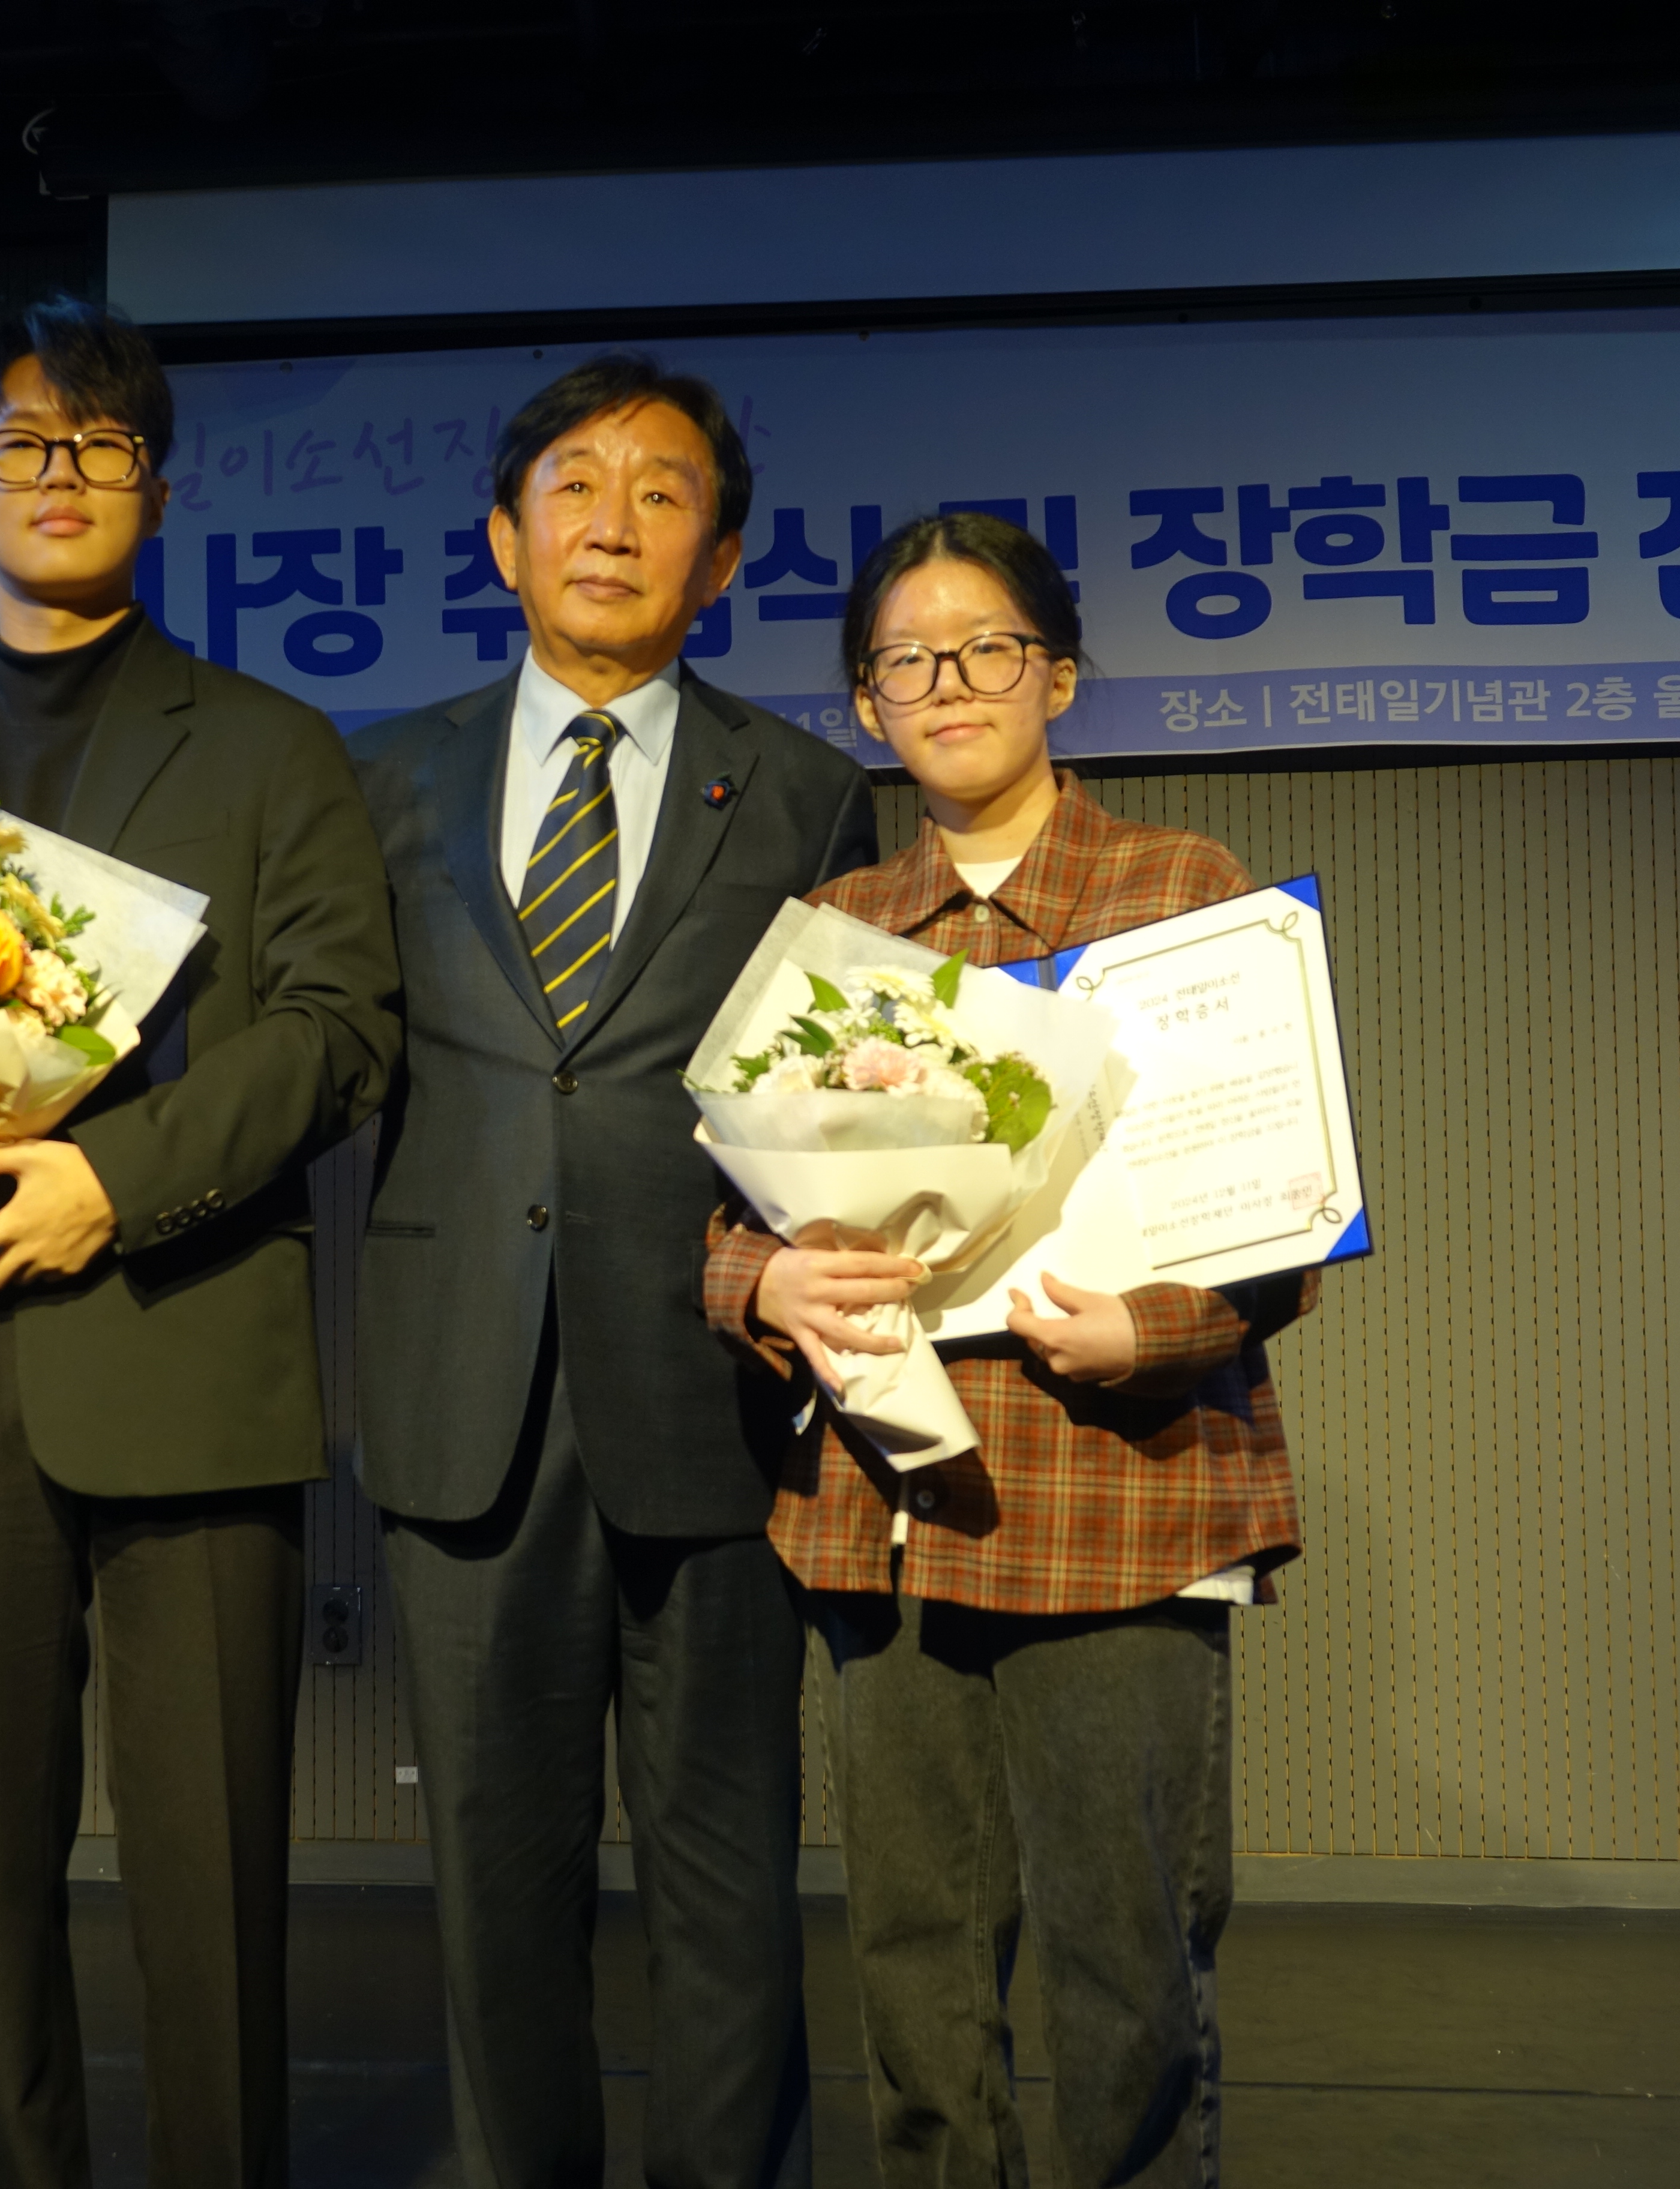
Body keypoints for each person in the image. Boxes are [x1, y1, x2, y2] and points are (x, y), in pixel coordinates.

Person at [0, 295, 400, 2189]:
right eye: (23, 443)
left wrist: (110, 1183)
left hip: (181, 1344)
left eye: (102, 445)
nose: (62, 475)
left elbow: (339, 1035)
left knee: (213, 1890)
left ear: (158, 490)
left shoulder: (274, 752)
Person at [707, 510, 1313, 2189]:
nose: (949, 682)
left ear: (1058, 673)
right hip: (885, 1508)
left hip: (1117, 1498)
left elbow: (1282, 1207)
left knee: (1128, 1965)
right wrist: (762, 1288)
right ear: (865, 705)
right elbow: (729, 1219)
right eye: (906, 660)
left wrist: (1154, 1327)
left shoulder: (1182, 894)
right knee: (913, 1965)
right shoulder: (837, 934)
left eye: (986, 647)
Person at [347, 353, 879, 2189]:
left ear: (718, 559)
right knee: (495, 1890)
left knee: (729, 1883)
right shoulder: (378, 778)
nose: (613, 521)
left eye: (663, 492)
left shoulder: (806, 793)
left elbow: (838, 1100)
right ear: (505, 539)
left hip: (715, 1387)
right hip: (460, 1390)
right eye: (574, 484)